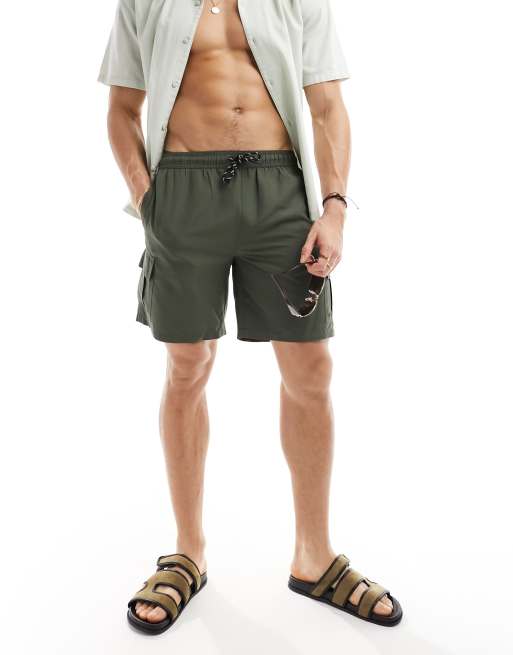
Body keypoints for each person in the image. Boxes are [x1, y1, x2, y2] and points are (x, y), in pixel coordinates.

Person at [98, 0, 402, 635]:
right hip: (182, 193)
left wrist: (335, 208)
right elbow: (122, 108)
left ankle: (314, 556)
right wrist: (149, 202)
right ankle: (188, 552)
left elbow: (327, 104)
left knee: (311, 369)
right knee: (187, 366)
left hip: (281, 191)